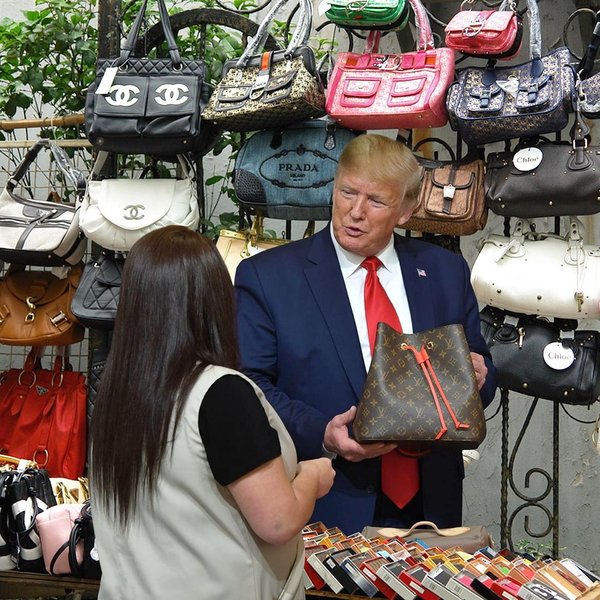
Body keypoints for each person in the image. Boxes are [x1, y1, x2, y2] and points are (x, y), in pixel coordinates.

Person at [235, 134, 497, 535]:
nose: (355, 212)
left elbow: (480, 372)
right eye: (347, 193)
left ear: (406, 211)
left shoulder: (444, 272)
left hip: (431, 501)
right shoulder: (269, 277)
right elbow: (249, 386)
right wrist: (322, 432)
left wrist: (477, 376)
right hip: (328, 495)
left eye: (375, 201)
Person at [90, 226, 335, 600]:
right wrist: (312, 476)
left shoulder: (117, 393)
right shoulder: (220, 394)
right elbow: (278, 521)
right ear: (214, 299)